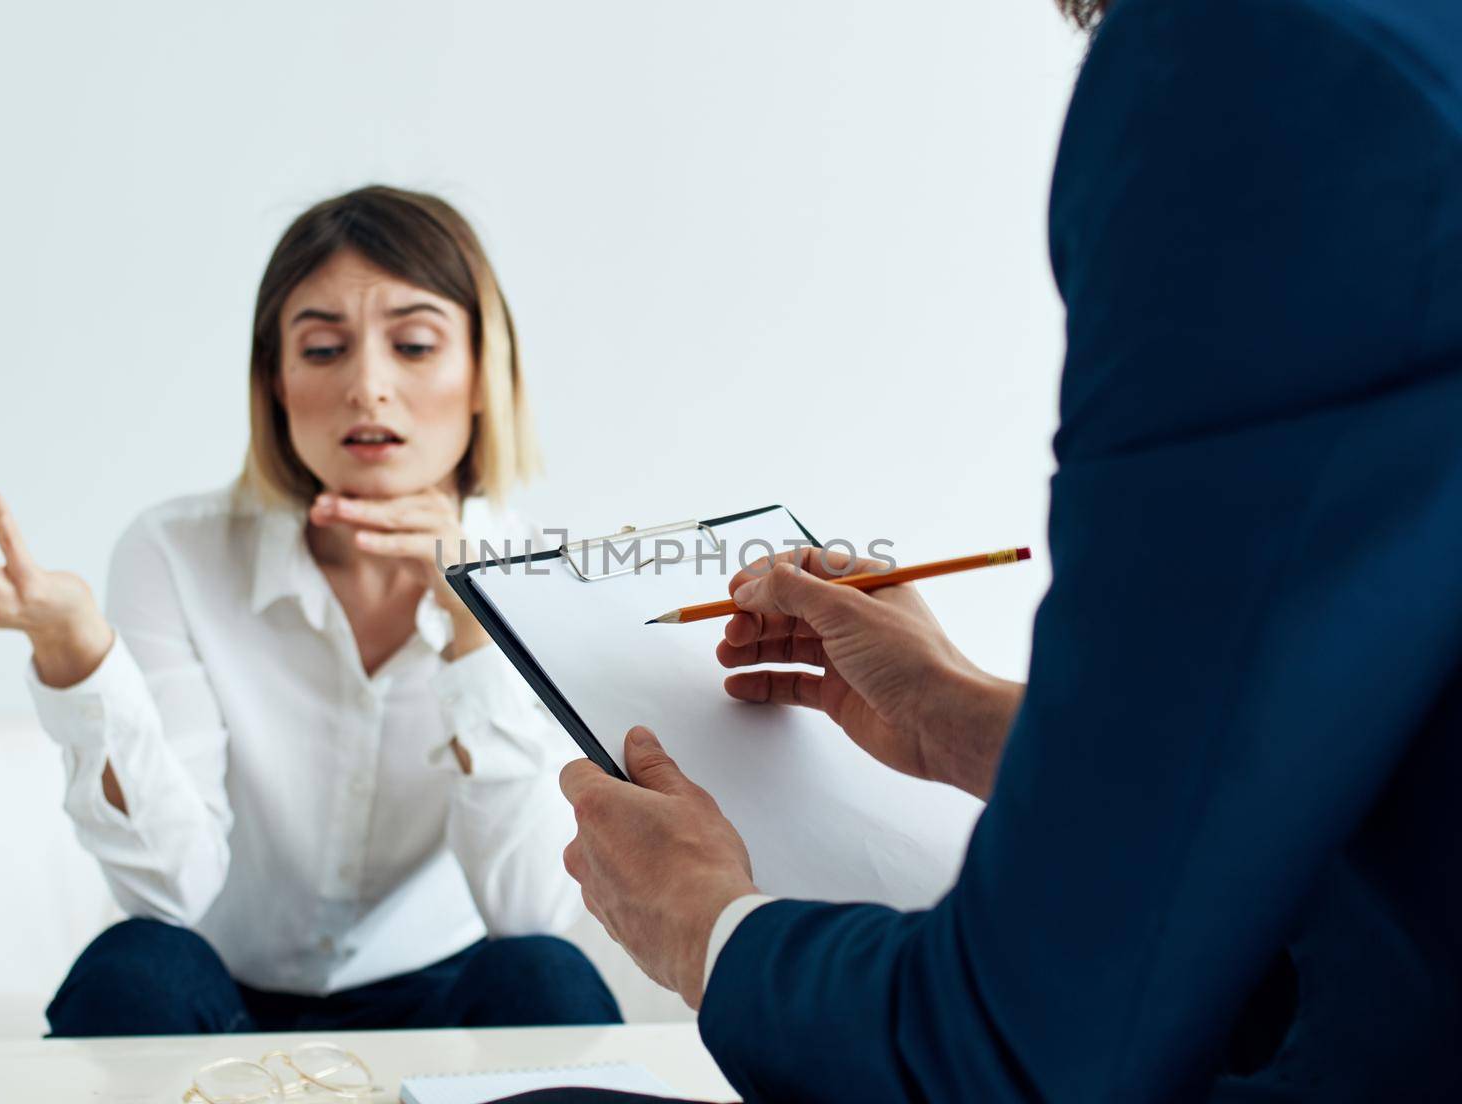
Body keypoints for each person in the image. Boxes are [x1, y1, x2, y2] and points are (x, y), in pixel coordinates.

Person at [551, 0, 1462, 1099]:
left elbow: (1017, 1056)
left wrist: (706, 927)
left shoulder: (1266, 55)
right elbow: (1375, 778)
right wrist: (967, 719)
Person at [0, 186, 620, 1036]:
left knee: (542, 974)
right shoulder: (173, 553)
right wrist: (75, 653)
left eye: (413, 345)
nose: (369, 387)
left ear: (484, 374)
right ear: (276, 385)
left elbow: (525, 906)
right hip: (220, 993)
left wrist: (476, 626)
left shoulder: (547, 574)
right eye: (325, 349)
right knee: (138, 963)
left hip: (437, 998)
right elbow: (170, 889)